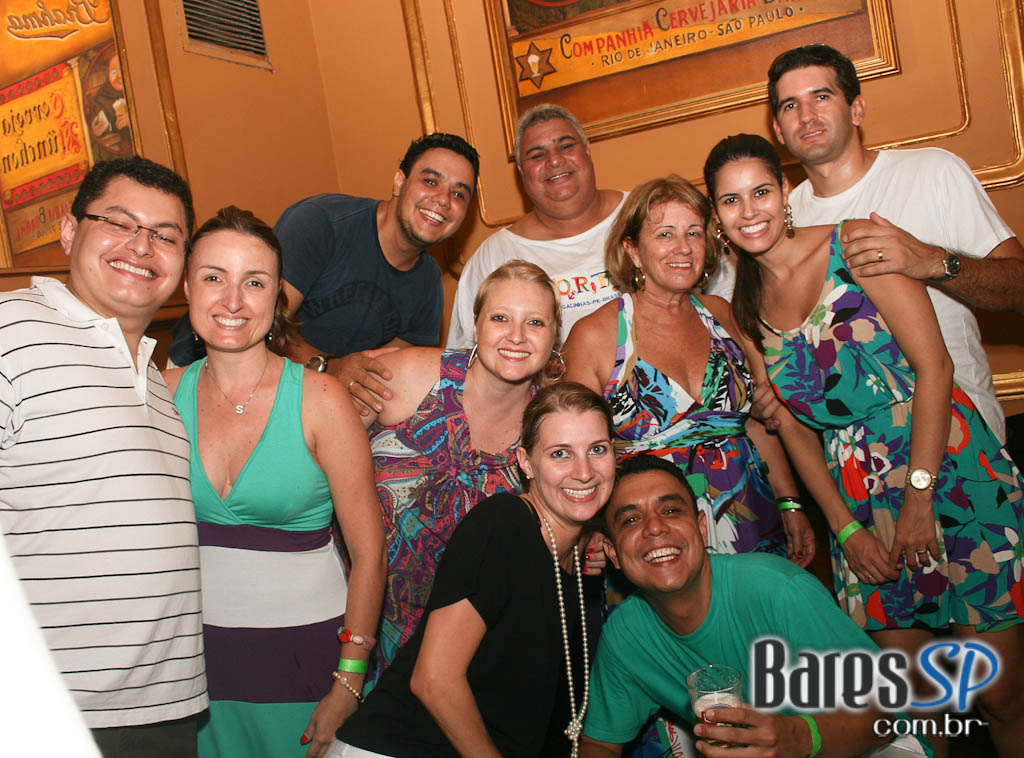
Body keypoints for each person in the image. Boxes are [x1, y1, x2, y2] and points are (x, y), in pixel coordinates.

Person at [703, 133, 1024, 755]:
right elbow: (792, 426)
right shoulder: (745, 306)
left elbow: (935, 368)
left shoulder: (853, 244)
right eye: (730, 201)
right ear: (716, 216)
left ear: (785, 195)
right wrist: (845, 530)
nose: (750, 211)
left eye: (762, 192)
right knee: (913, 701)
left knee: (998, 690)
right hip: (856, 493)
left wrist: (920, 497)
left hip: (951, 471)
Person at [0, 157, 207, 756]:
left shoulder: (161, 387)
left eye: (166, 236)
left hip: (166, 711)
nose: (141, 247)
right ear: (69, 231)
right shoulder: (12, 331)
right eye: (118, 223)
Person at [163, 207, 386, 758]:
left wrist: (349, 681)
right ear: (187, 286)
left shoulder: (322, 399)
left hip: (309, 669)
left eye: (255, 282)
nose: (233, 301)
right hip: (197, 680)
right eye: (214, 277)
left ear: (277, 300)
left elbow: (370, 552)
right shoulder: (159, 394)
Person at [330, 382, 617, 757]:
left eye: (597, 449)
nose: (584, 472)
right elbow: (434, 680)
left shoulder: (574, 564)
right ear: (526, 462)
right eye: (561, 453)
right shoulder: (503, 525)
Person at [757, 43, 1024, 443]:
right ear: (778, 129)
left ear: (857, 109)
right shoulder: (778, 222)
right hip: (857, 457)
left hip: (966, 438)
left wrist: (933, 261)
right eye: (790, 105)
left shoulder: (932, 172)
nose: (806, 116)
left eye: (822, 96)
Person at [580, 455, 930, 758]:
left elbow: (886, 716)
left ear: (703, 529)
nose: (655, 527)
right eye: (631, 520)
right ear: (613, 554)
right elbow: (600, 744)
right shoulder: (627, 636)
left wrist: (796, 737)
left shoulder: (776, 589)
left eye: (671, 510)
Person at [563, 175, 814, 563]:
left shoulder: (722, 314)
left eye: (693, 233)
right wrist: (586, 531)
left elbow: (752, 421)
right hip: (653, 535)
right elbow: (574, 451)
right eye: (665, 234)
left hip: (752, 519)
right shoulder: (596, 335)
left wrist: (789, 503)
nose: (683, 248)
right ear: (632, 249)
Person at [359, 259, 570, 684]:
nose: (516, 336)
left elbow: (559, 544)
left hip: (467, 655)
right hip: (355, 618)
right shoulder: (408, 376)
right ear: (475, 325)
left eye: (534, 322)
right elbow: (323, 458)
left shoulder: (550, 432)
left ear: (554, 338)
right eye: (500, 318)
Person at [168, 133, 479, 417]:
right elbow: (259, 325)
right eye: (430, 181)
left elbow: (390, 376)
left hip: (309, 400)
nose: (442, 200)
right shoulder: (322, 223)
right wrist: (329, 367)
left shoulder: (428, 286)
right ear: (399, 181)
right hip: (201, 371)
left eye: (459, 194)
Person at [447, 104, 625, 348]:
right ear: (521, 170)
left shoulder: (646, 215)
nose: (554, 160)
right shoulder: (494, 257)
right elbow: (461, 362)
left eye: (566, 146)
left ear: (586, 150)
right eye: (537, 155)